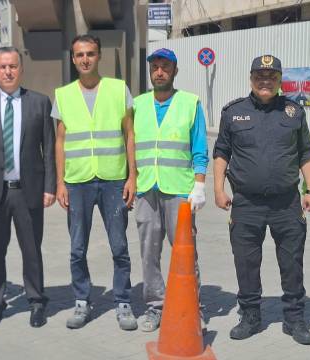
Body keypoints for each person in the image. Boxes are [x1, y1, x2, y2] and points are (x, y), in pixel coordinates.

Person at [212, 55, 310, 345]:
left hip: (287, 203)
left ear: (279, 80)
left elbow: (306, 152)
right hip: (247, 203)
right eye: (260, 75)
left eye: (271, 76)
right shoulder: (233, 113)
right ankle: (250, 316)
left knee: (292, 262)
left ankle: (295, 319)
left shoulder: (293, 112)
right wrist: (219, 189)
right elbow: (222, 151)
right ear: (251, 78)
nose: (265, 80)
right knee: (246, 262)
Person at [0, 47, 56, 328]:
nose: (8, 71)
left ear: (21, 69)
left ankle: (37, 301)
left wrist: (50, 186)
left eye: (13, 66)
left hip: (28, 190)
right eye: (3, 66)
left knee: (32, 250)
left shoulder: (39, 103)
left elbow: (50, 149)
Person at [53, 34, 137, 331]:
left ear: (99, 56)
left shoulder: (118, 89)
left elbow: (129, 134)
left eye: (90, 53)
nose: (85, 59)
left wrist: (132, 176)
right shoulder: (63, 94)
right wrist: (61, 183)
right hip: (77, 182)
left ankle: (123, 302)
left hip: (114, 179)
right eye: (79, 55)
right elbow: (60, 141)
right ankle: (82, 301)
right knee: (77, 248)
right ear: (73, 59)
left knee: (119, 246)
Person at [132, 48, 208, 332]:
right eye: (155, 67)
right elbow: (129, 148)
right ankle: (155, 306)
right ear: (150, 71)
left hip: (179, 190)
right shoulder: (137, 105)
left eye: (165, 67)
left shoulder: (190, 103)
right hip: (146, 188)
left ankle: (193, 306)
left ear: (175, 71)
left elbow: (200, 148)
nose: (159, 72)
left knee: (185, 253)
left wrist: (200, 184)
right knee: (149, 253)